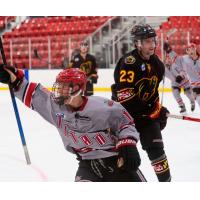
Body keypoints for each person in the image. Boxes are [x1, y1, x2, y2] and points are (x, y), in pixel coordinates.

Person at [0, 66, 146, 182]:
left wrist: (128, 144)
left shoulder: (103, 107)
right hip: (87, 164)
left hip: (115, 160)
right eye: (59, 85)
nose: (60, 90)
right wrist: (14, 78)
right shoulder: (55, 106)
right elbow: (32, 94)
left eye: (65, 86)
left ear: (78, 89)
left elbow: (126, 123)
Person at [111, 24, 171, 182]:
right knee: (126, 158)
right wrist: (152, 110)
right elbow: (125, 98)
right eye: (147, 41)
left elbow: (152, 92)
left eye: (153, 40)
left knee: (157, 150)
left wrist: (159, 108)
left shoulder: (156, 63)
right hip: (125, 119)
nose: (152, 45)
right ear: (137, 43)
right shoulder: (129, 63)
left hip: (146, 116)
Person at [164, 44, 195, 113]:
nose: (168, 60)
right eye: (167, 59)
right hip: (175, 83)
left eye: (169, 59)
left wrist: (180, 76)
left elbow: (182, 70)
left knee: (188, 94)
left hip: (184, 81)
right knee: (175, 94)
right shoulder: (164, 69)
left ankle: (192, 101)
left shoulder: (175, 64)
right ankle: (182, 106)